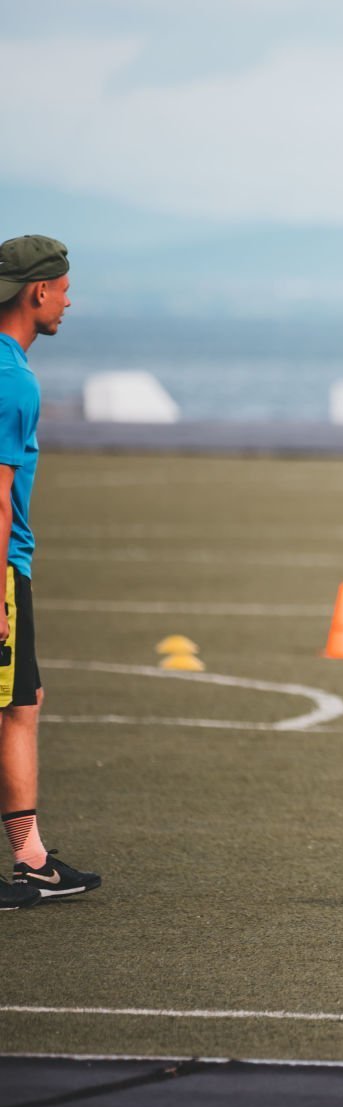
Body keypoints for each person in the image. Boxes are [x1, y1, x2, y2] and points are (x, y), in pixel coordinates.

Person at [0, 235, 101, 908]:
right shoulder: (13, 379)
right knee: (14, 708)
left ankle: (32, 857)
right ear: (38, 292)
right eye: (64, 290)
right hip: (5, 565)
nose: (69, 301)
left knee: (23, 701)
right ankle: (30, 861)